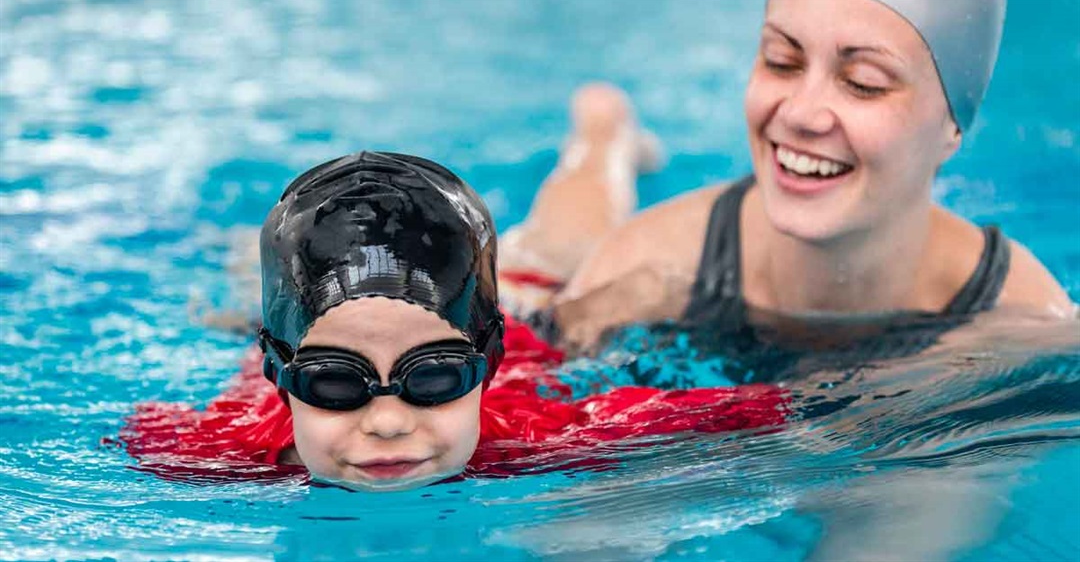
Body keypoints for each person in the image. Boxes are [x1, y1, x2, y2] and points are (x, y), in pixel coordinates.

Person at [121, 151, 786, 490]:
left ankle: (601, 136)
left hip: (529, 313)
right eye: (334, 383)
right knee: (252, 281)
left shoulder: (539, 433)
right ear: (279, 377)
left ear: (484, 367)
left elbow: (757, 410)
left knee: (563, 246)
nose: (386, 421)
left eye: (434, 377)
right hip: (299, 322)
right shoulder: (218, 448)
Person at [502, 0, 1074, 352]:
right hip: (572, 279)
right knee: (558, 248)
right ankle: (602, 135)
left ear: (954, 125)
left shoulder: (1026, 320)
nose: (799, 114)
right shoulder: (646, 267)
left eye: (864, 82)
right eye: (782, 61)